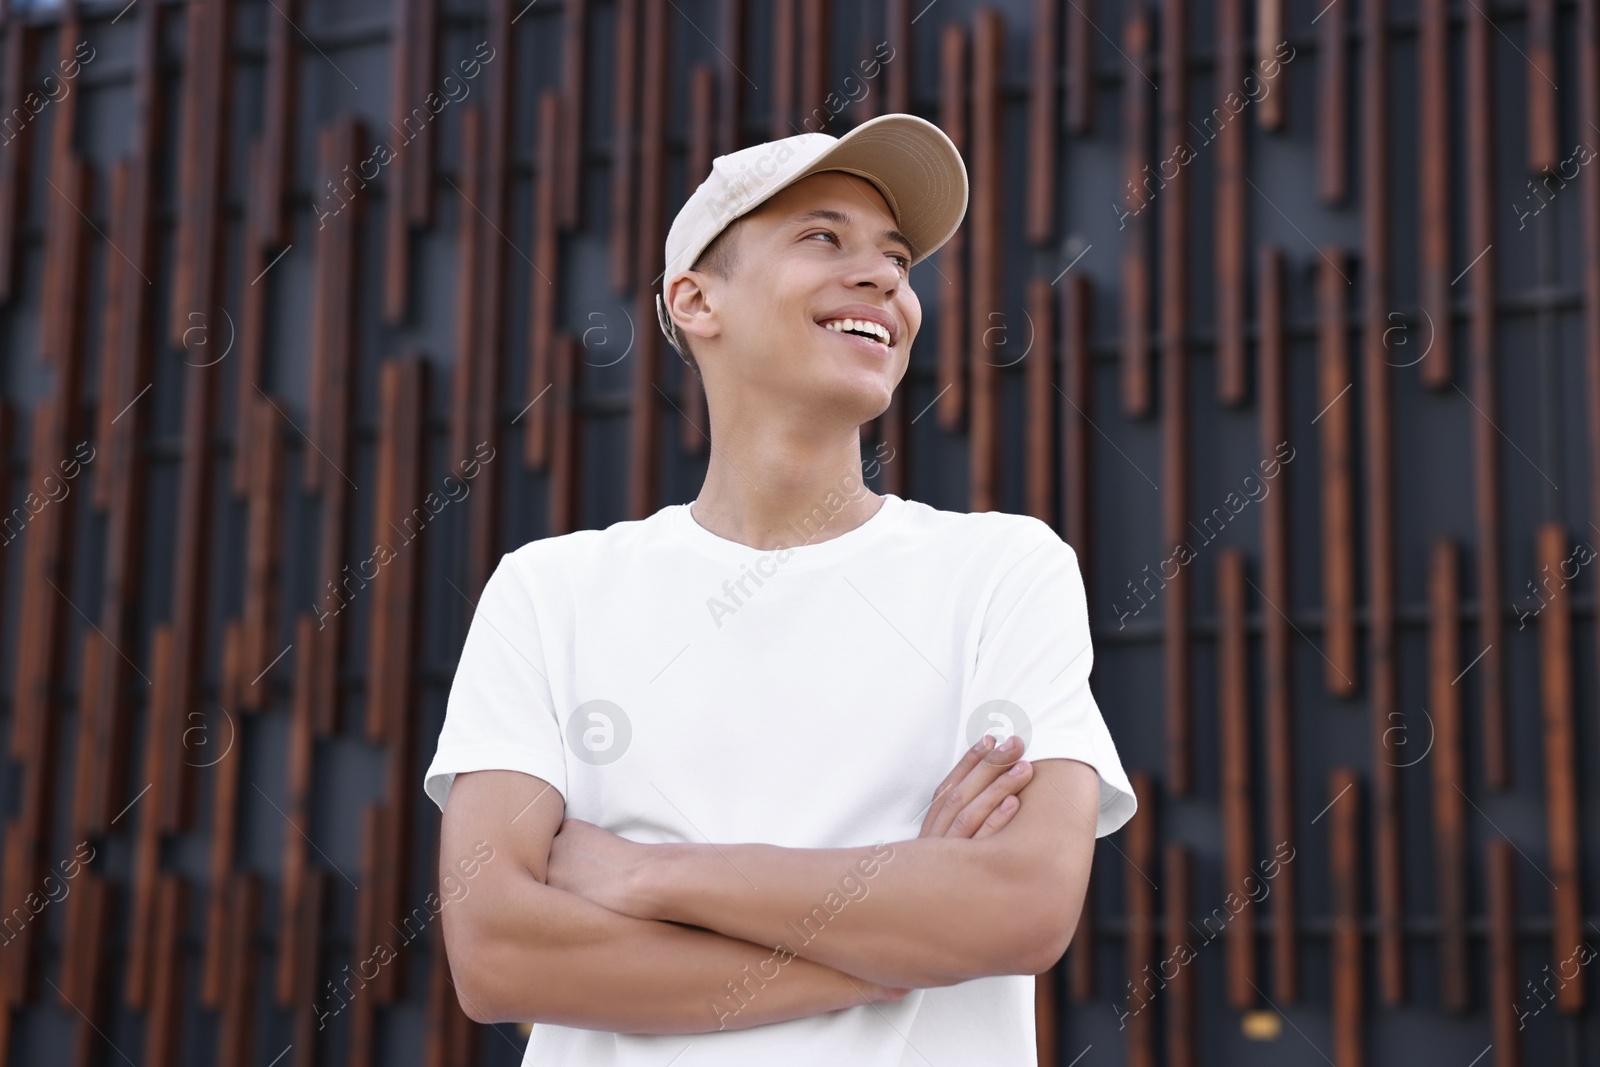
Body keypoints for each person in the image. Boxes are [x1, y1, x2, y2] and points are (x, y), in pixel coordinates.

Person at [423, 113, 1137, 1065]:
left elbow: (1021, 905)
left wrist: (643, 873)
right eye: (821, 237)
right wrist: (886, 947)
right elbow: (497, 953)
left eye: (896, 256)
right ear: (695, 301)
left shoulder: (1006, 568)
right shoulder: (550, 590)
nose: (884, 275)